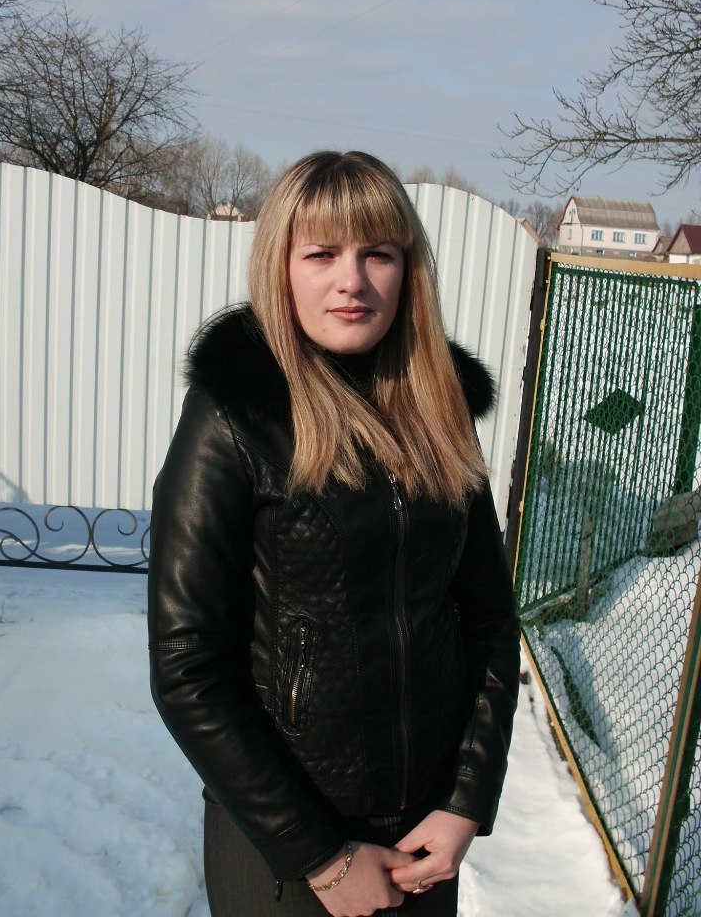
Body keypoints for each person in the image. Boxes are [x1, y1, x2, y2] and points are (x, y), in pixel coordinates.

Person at [148, 150, 520, 917]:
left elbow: (488, 620)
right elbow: (188, 666)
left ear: (408, 270)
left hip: (424, 840)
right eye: (321, 254)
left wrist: (465, 802)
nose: (352, 280)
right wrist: (319, 856)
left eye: (377, 253)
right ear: (281, 267)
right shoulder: (234, 417)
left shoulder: (439, 411)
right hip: (284, 849)